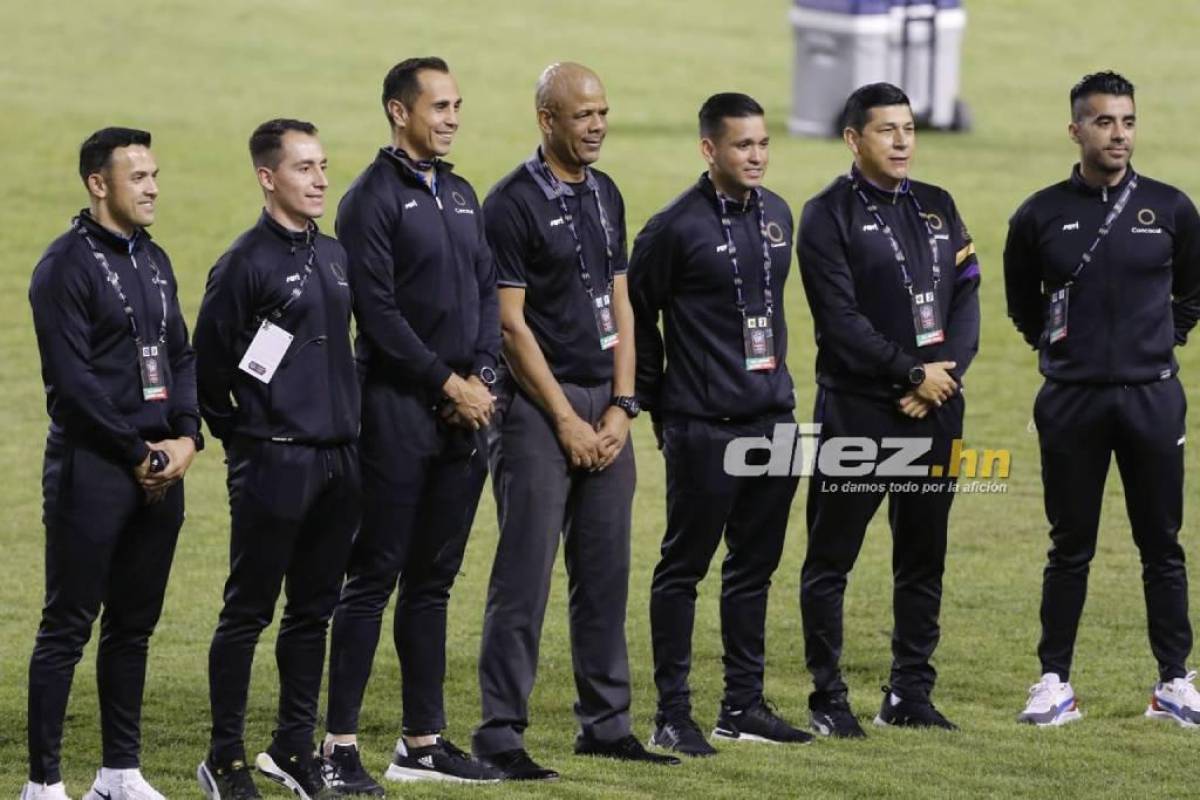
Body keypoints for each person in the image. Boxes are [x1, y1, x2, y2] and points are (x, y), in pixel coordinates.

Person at [471, 62, 678, 779]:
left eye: (602, 113)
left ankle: (606, 725)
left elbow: (622, 302)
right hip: (537, 411)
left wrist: (623, 406)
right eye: (581, 115)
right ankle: (499, 733)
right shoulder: (510, 204)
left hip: (604, 404)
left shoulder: (607, 193)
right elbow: (509, 325)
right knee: (524, 576)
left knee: (605, 572)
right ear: (546, 120)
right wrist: (564, 417)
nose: (596, 125)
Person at [322, 56, 501, 787]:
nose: (453, 116)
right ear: (400, 111)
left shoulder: (460, 192)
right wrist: (448, 381)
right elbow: (379, 315)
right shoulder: (369, 199)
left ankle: (421, 742)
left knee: (432, 583)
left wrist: (484, 377)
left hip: (464, 417)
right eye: (439, 106)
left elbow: (487, 293)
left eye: (458, 104)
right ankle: (337, 748)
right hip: (396, 413)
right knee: (373, 578)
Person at [1005, 71, 1200, 728]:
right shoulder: (1037, 213)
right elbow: (1021, 304)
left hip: (1152, 400)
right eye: (1104, 122)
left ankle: (1174, 683)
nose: (1118, 134)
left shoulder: (1172, 208)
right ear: (1076, 130)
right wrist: (1069, 356)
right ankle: (1053, 682)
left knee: (1162, 545)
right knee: (1070, 545)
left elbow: (1194, 291)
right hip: (1071, 403)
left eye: (1127, 121)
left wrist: (1160, 343)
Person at [628, 93, 811, 756]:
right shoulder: (674, 226)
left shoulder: (779, 215)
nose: (756, 155)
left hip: (775, 420)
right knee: (684, 568)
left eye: (763, 143)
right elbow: (635, 316)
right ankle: (671, 714)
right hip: (705, 426)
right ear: (710, 150)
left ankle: (743, 706)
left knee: (754, 569)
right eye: (742, 145)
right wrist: (659, 404)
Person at [796, 83, 981, 736]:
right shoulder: (826, 216)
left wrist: (942, 376)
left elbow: (967, 295)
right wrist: (910, 373)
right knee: (832, 558)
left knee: (923, 556)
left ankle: (910, 694)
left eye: (909, 128)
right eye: (887, 130)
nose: (903, 141)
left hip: (937, 407)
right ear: (854, 139)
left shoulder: (937, 206)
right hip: (861, 411)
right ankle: (827, 699)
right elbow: (839, 320)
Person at [24, 127, 202, 800]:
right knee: (67, 624)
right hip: (95, 470)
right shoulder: (63, 267)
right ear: (100, 184)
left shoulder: (153, 259)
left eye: (155, 175)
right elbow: (72, 388)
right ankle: (43, 784)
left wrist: (186, 438)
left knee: (133, 625)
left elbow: (180, 355)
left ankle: (119, 773)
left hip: (161, 468)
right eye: (139, 177)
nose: (153, 187)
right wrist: (138, 452)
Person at [193, 119, 360, 800]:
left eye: (322, 165)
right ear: (268, 177)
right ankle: (225, 758)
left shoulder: (336, 254)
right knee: (248, 612)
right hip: (274, 463)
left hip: (339, 462)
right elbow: (207, 371)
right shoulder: (243, 264)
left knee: (313, 612)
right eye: (303, 168)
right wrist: (251, 440)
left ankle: (292, 747)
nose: (320, 179)